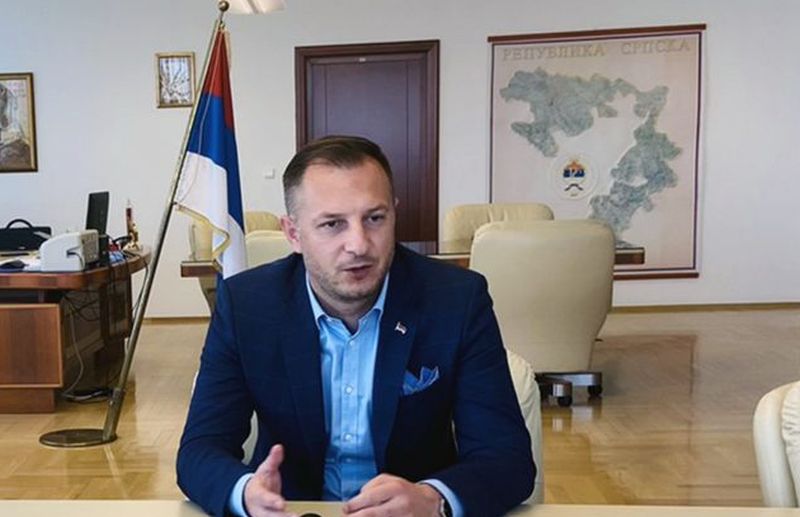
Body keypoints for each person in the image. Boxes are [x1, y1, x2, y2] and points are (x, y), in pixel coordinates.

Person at [177, 135, 535, 517]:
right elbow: (200, 450)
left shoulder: (457, 300)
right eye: (333, 224)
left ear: (394, 214)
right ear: (294, 234)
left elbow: (506, 458)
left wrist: (434, 499)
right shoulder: (247, 305)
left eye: (375, 219)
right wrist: (246, 493)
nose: (359, 244)